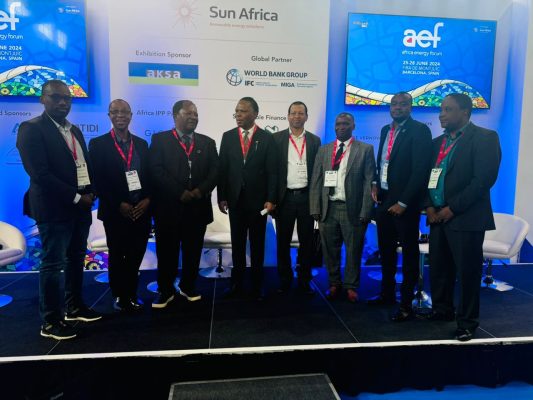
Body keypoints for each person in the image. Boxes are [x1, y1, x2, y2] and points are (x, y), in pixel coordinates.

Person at [17, 80, 102, 340]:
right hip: (54, 209)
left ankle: (74, 307)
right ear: (43, 99)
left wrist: (91, 191)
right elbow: (40, 174)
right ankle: (51, 321)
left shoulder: (74, 130)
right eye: (56, 97)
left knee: (76, 258)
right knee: (52, 264)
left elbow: (84, 165)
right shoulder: (31, 129)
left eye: (67, 98)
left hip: (80, 208)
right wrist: (77, 198)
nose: (63, 102)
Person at [424, 93, 501, 341]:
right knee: (439, 268)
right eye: (441, 109)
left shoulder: (485, 138)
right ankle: (442, 310)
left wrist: (452, 208)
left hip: (466, 218)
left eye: (448, 109)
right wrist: (429, 207)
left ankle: (467, 322)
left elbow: (483, 180)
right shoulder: (437, 143)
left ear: (465, 112)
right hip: (438, 217)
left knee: (467, 273)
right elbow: (429, 177)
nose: (441, 114)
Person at [368, 92, 433, 321]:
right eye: (394, 104)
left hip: (405, 205)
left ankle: (406, 304)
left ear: (411, 107)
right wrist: (375, 183)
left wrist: (403, 202)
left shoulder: (420, 130)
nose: (397, 107)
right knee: (386, 251)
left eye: (403, 104)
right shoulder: (386, 130)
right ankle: (386, 294)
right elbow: (382, 162)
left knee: (409, 255)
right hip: (384, 201)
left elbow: (420, 171)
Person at [149, 100, 219, 308]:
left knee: (193, 251)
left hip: (197, 208)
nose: (193, 117)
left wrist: (199, 191)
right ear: (175, 116)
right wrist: (179, 192)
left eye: (195, 114)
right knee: (166, 252)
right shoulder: (160, 140)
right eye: (188, 113)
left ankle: (188, 286)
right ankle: (165, 290)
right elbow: (156, 170)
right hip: (168, 209)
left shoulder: (207, 142)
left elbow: (215, 172)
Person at [88, 99, 151, 312]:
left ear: (131, 115)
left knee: (136, 253)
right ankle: (119, 295)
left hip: (140, 210)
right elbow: (98, 179)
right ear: (109, 116)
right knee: (117, 254)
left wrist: (147, 200)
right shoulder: (98, 144)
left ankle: (131, 293)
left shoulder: (141, 144)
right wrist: (118, 204)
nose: (120, 115)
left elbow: (149, 176)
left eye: (124, 112)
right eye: (115, 112)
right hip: (115, 212)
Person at [309, 112, 375, 302]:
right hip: (327, 208)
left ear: (353, 126)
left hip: (352, 208)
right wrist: (315, 207)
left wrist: (366, 210)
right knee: (330, 250)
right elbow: (316, 180)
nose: (341, 127)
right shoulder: (324, 150)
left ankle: (351, 286)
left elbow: (369, 182)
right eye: (338, 123)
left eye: (346, 123)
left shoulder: (365, 149)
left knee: (354, 250)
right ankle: (334, 283)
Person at [218, 97, 277, 300]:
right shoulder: (228, 137)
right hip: (235, 200)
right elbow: (223, 169)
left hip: (258, 202)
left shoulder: (267, 138)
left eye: (242, 111)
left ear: (255, 114)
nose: (238, 115)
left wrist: (271, 198)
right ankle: (236, 283)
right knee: (237, 244)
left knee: (258, 245)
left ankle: (257, 285)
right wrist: (222, 196)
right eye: (236, 111)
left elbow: (272, 172)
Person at [272, 101, 321, 295]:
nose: (297, 116)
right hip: (284, 198)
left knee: (306, 243)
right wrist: (272, 198)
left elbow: (318, 172)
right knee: (282, 242)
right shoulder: (276, 139)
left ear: (306, 117)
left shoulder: (315, 140)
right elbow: (272, 172)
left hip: (307, 197)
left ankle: (304, 280)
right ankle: (284, 280)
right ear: (288, 116)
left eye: (301, 113)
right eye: (293, 113)